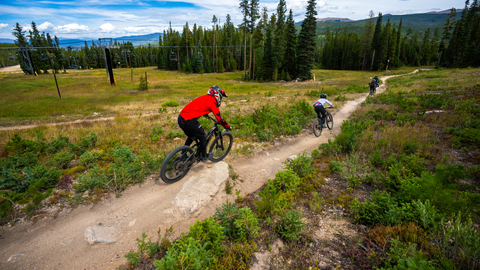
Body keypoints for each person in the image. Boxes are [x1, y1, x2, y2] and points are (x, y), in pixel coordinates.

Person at [178, 85, 231, 162]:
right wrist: (227, 126)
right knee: (202, 136)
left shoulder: (204, 97)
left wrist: (205, 113)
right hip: (189, 120)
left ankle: (183, 154)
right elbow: (220, 119)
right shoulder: (212, 103)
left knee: (192, 136)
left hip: (181, 118)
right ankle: (204, 156)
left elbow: (199, 106)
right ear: (217, 95)